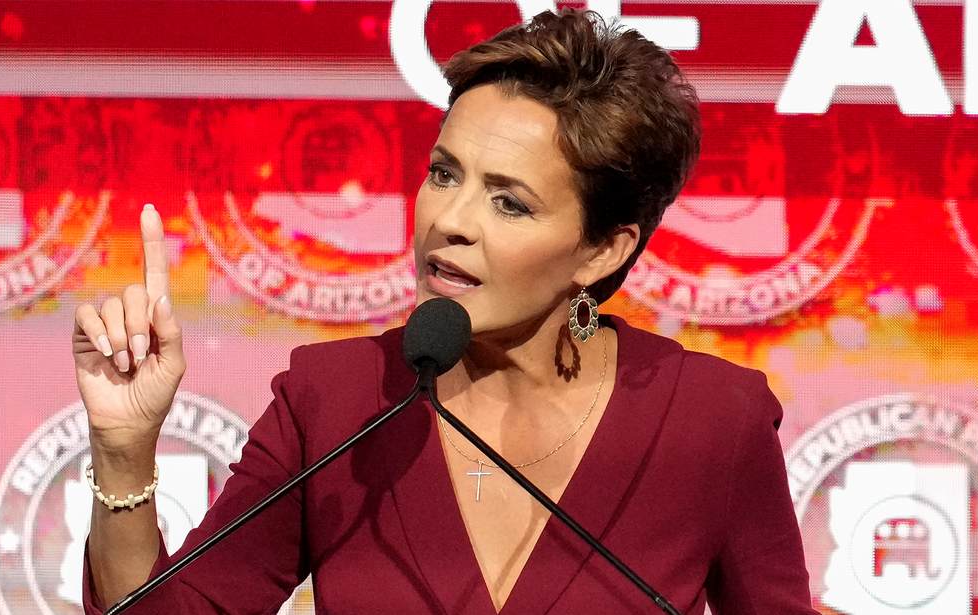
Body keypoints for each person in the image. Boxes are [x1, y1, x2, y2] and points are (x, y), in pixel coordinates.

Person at [74, 8, 817, 614]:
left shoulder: (714, 422)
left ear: (602, 250)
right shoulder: (334, 402)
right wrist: (123, 449)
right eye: (443, 173)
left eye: (509, 202)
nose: (449, 220)